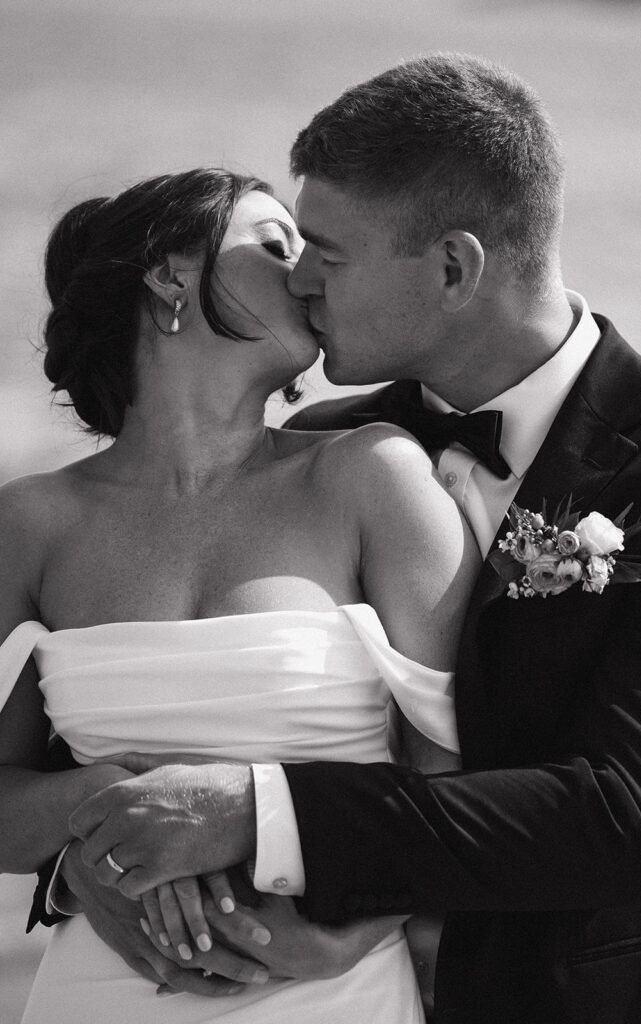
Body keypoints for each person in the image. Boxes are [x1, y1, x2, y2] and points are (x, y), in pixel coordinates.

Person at [60, 54, 641, 1023]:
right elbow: (116, 715)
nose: (297, 280)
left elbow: (617, 815)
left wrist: (262, 811)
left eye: (326, 253)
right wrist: (89, 863)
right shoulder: (307, 455)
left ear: (451, 268)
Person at [0, 166, 482, 1023]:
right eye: (275, 245)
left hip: (331, 991)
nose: (308, 275)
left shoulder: (370, 477)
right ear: (169, 274)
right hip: (103, 993)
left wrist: (365, 928)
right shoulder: (34, 521)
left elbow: (468, 780)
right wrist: (93, 814)